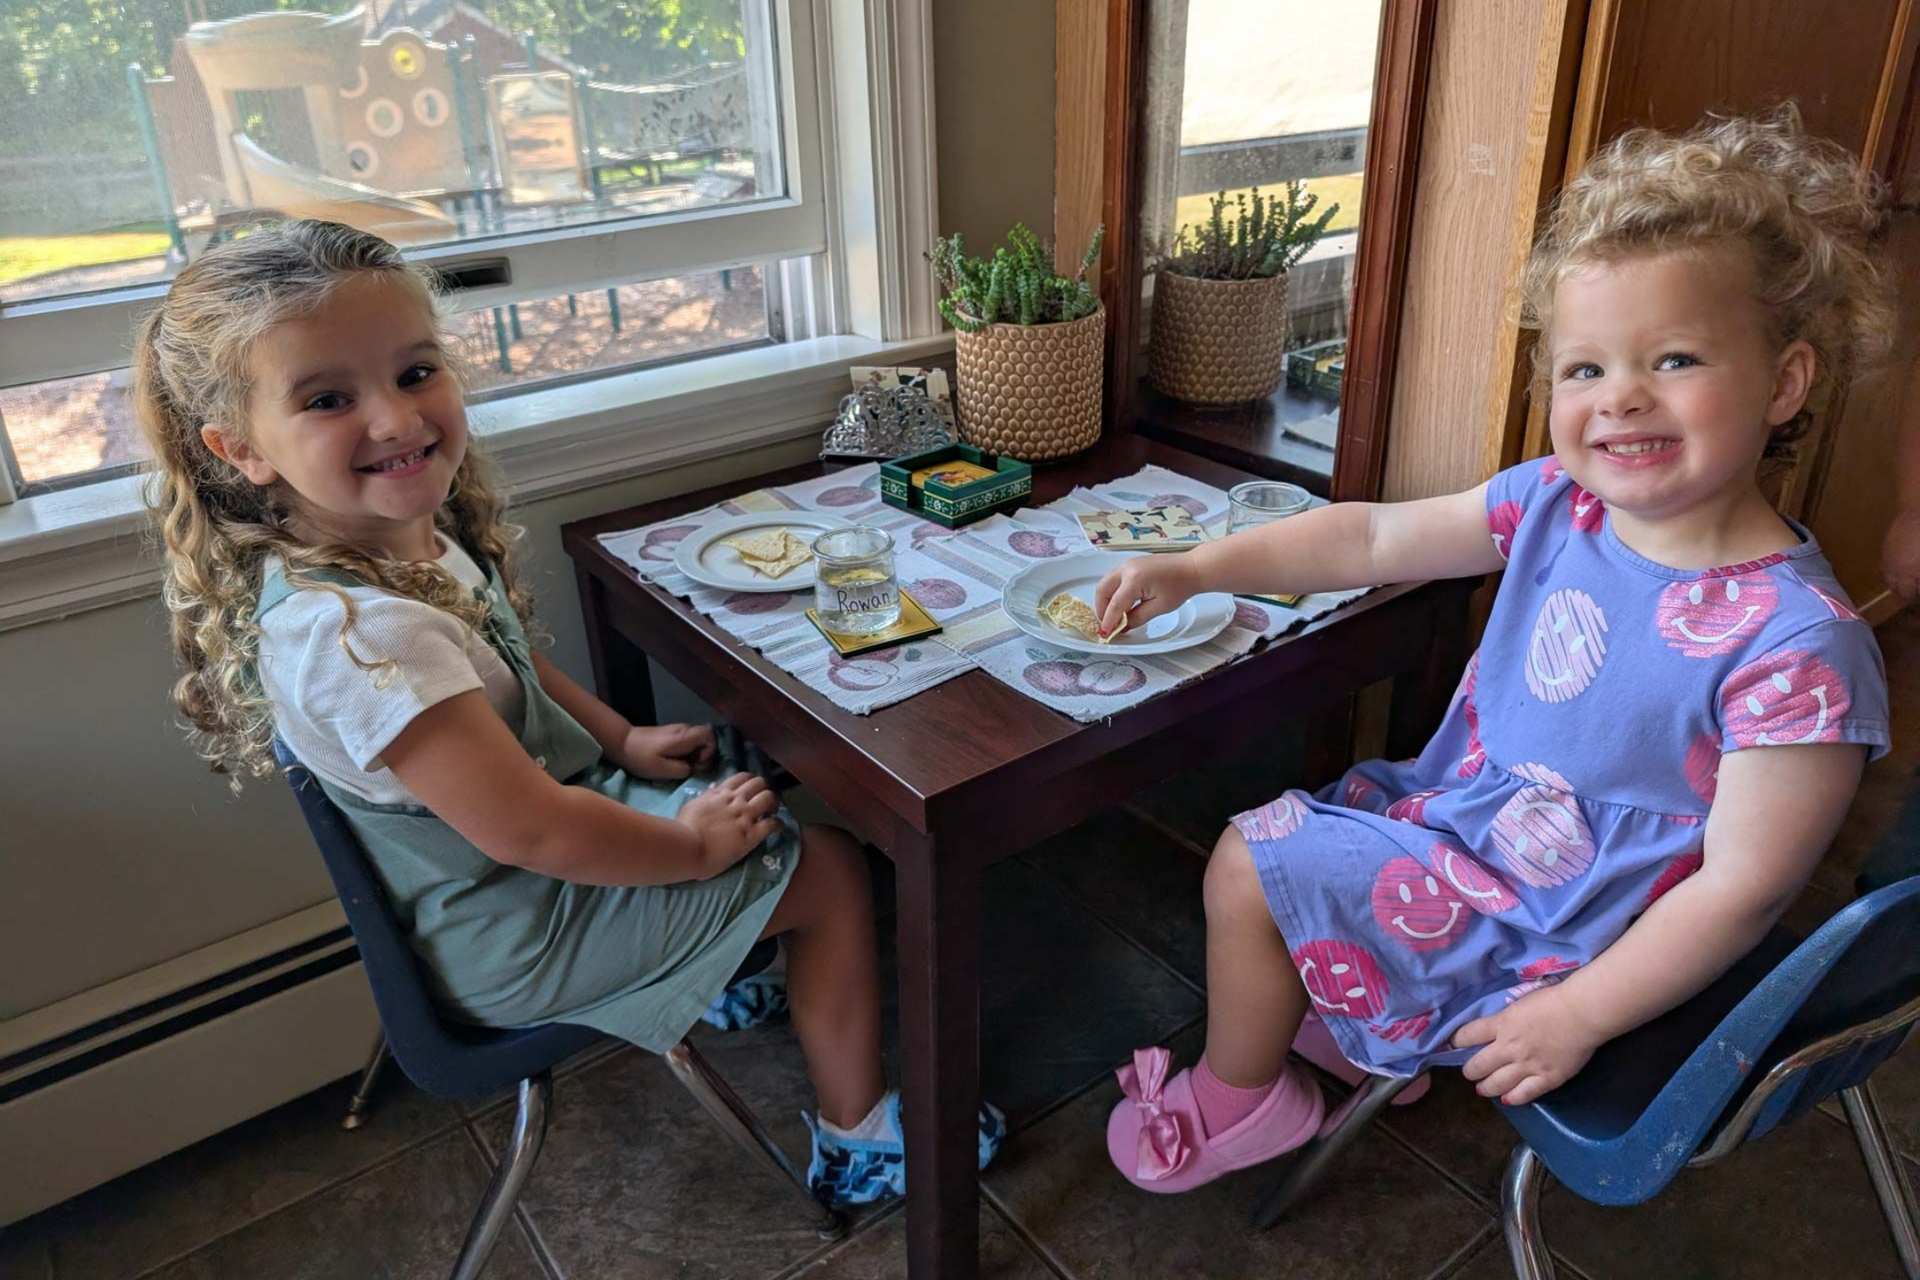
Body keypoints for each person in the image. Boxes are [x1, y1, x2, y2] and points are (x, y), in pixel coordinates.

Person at [1094, 106, 1894, 1193]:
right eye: (1583, 369)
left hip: (1561, 925)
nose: (1621, 396)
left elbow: (1740, 892)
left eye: (1675, 357)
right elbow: (1375, 535)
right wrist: (1201, 565)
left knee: (1249, 863)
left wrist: (1577, 1011)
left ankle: (1247, 1101)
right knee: (1312, 843)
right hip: (1468, 827)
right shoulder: (1561, 502)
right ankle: (1383, 1010)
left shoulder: (1803, 649)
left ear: (1785, 382)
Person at [133, 218, 1001, 1205]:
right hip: (517, 927)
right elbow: (537, 828)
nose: (396, 418)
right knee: (833, 863)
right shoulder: (361, 637)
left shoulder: (387, 546)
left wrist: (621, 736)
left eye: (415, 372)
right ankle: (862, 1139)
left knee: (739, 791)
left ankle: (730, 958)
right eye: (329, 397)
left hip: (523, 868)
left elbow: (509, 658)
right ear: (239, 446)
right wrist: (695, 854)